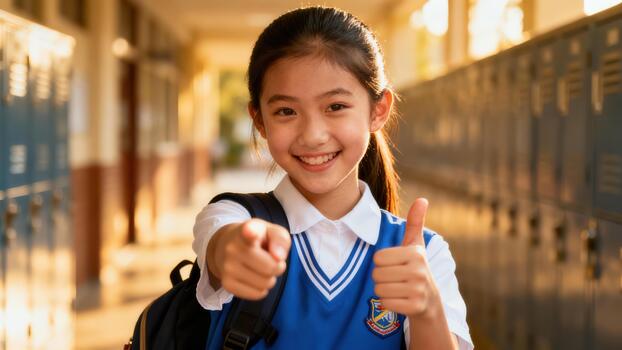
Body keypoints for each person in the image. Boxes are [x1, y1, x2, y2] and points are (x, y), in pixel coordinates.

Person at [192, 6, 473, 349]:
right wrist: (236, 250)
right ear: (260, 120)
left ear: (378, 110)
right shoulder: (232, 218)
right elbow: (223, 244)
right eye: (286, 111)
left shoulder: (424, 254)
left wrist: (427, 308)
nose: (313, 135)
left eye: (335, 107)